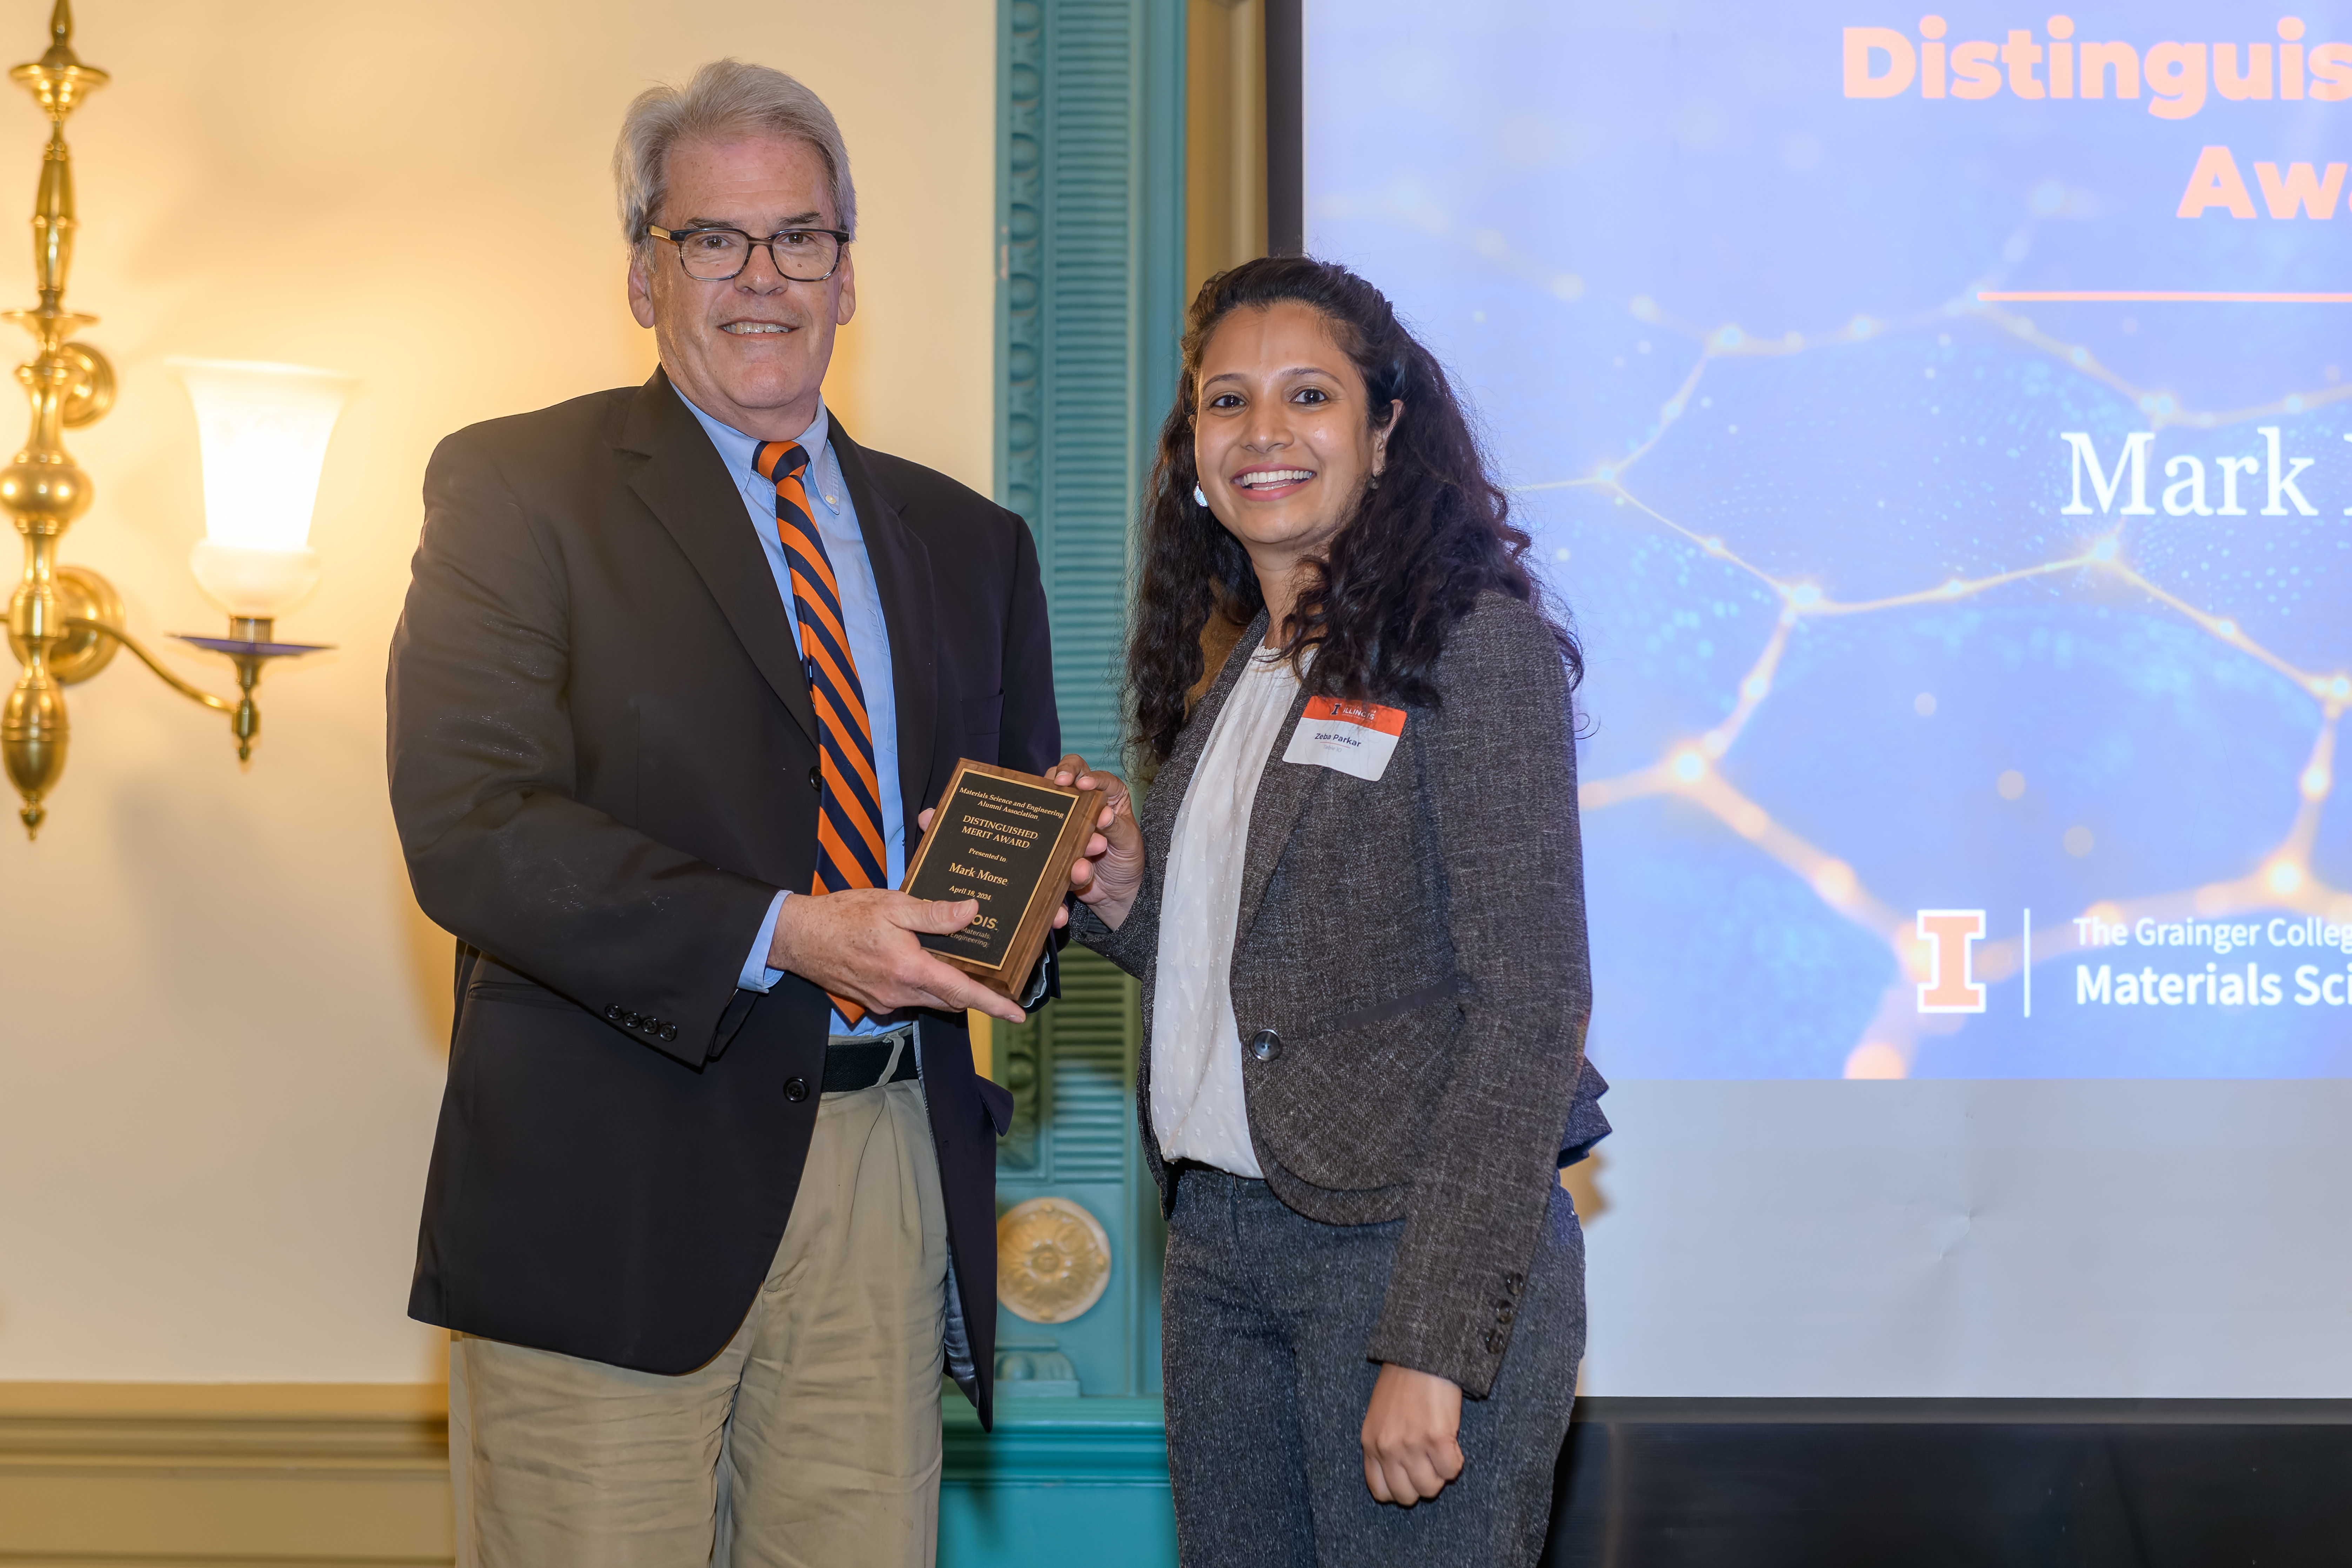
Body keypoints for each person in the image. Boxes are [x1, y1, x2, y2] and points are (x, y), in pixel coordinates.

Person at [387, 59, 1095, 1567]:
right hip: (612, 1190)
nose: (762, 278)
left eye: (802, 239)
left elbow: (995, 878)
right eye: (715, 239)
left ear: (848, 270)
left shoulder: (973, 543)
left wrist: (1058, 884)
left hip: (889, 1168)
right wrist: (787, 928)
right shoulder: (517, 489)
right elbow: (471, 823)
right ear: (643, 273)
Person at [1058, 254, 1606, 1566]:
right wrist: (1134, 900)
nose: (1263, 434)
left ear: (1385, 430)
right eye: (1225, 402)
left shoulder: (1475, 642)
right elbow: (1280, 978)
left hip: (1402, 1256)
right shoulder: (1245, 667)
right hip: (1221, 1258)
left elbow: (1531, 1005)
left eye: (1308, 396)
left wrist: (1434, 1343)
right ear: (1193, 446)